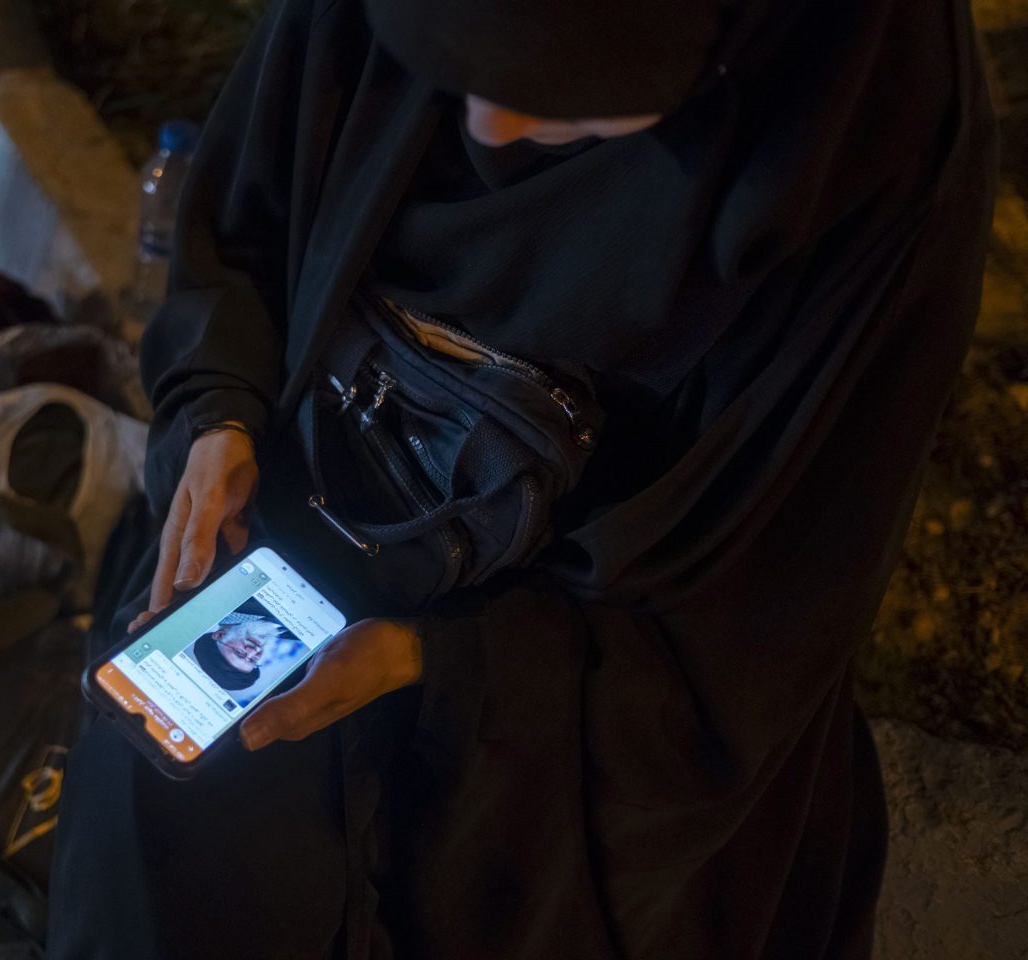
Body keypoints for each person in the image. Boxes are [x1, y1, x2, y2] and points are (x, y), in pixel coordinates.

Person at [49, 0, 998, 958]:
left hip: (582, 690)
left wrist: (442, 671)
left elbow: (742, 633)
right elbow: (245, 230)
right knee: (160, 824)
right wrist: (220, 407)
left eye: (560, 99)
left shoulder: (864, 138)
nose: (481, 132)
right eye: (445, 68)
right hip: (295, 533)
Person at [190, 614, 285, 691]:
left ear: (220, 635)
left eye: (239, 652)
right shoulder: (291, 635)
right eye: (252, 660)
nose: (254, 651)